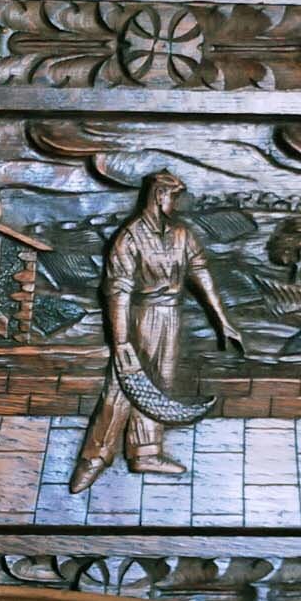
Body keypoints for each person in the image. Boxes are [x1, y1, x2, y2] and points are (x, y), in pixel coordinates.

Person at [70, 171, 244, 493]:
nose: (177, 203)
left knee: (159, 384)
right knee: (123, 385)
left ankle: (145, 452)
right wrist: (121, 341)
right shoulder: (130, 237)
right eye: (173, 196)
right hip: (139, 316)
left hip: (171, 317)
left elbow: (200, 271)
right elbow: (118, 291)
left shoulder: (181, 233)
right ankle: (94, 457)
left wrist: (221, 318)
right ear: (158, 195)